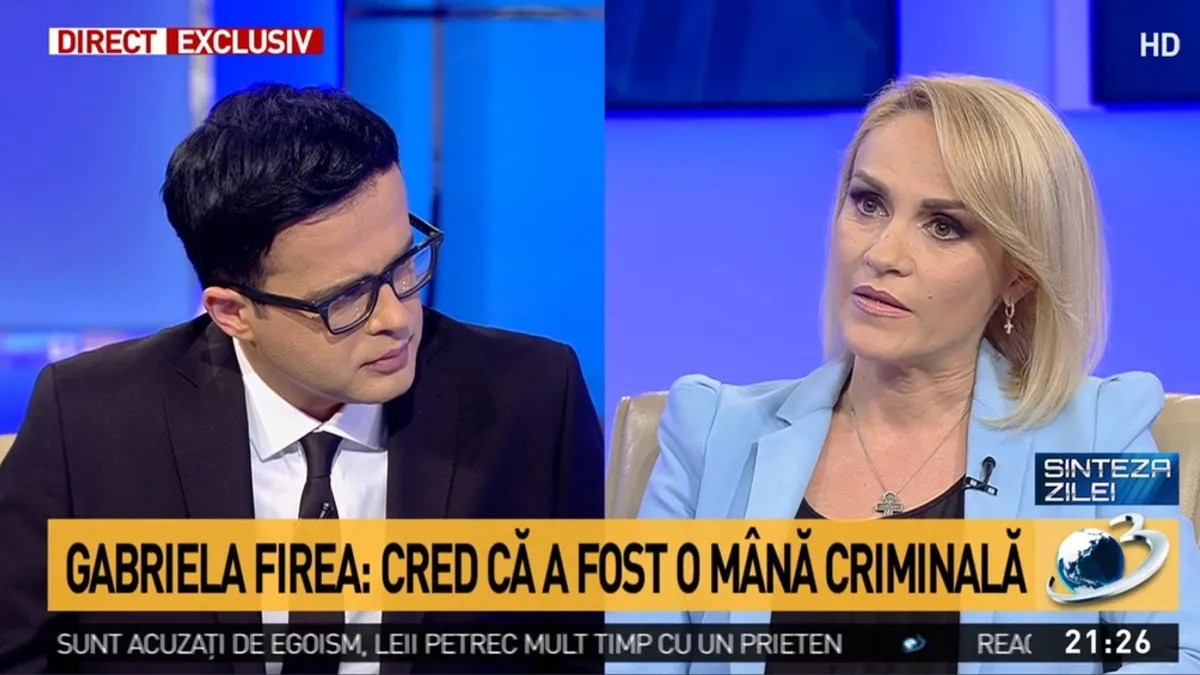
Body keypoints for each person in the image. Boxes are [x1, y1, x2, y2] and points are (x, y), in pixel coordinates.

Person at [0, 84, 604, 674]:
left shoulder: (532, 399)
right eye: (347, 298)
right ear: (233, 312)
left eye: (404, 263)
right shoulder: (89, 421)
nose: (397, 319)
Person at [607, 75, 1200, 674]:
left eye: (944, 226)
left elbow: (1178, 652)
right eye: (869, 203)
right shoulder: (711, 438)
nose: (882, 253)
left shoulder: (1098, 439)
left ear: (1018, 275)